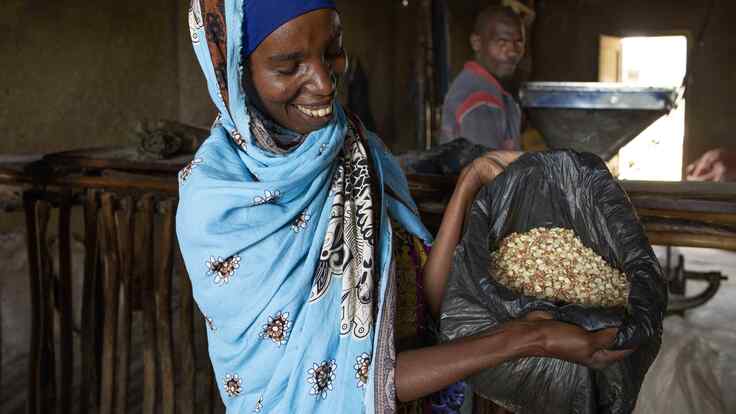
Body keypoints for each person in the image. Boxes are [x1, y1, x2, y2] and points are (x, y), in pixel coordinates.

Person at [176, 1, 629, 412]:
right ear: (235, 74)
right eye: (289, 65)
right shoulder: (220, 207)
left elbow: (421, 306)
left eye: (333, 50)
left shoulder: (353, 149)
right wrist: (526, 339)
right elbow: (347, 386)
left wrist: (469, 183)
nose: (323, 81)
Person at [440, 6, 525, 150]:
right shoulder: (482, 100)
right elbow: (486, 169)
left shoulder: (484, 87)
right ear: (476, 43)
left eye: (518, 42)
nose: (512, 52)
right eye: (502, 42)